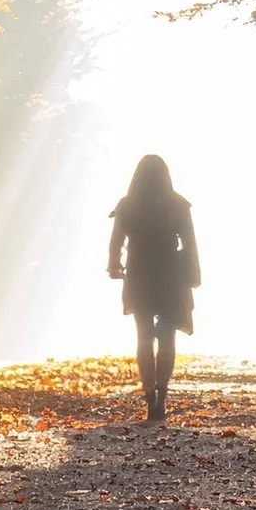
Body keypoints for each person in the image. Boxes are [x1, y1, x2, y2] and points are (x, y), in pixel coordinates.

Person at [107, 155, 199, 422]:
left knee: (144, 336)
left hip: (139, 275)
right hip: (170, 277)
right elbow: (190, 244)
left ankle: (149, 394)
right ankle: (162, 394)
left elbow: (116, 241)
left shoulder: (128, 206)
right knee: (167, 336)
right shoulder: (178, 205)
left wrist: (114, 266)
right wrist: (192, 275)